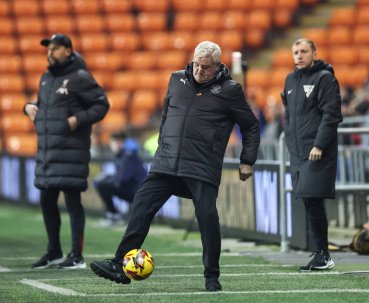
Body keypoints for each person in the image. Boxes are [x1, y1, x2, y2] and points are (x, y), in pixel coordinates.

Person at [90, 41, 260, 291]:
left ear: (217, 66)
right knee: (141, 206)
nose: (199, 71)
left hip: (202, 165)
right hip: (166, 162)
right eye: (196, 65)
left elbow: (251, 126)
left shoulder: (230, 90)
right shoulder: (175, 79)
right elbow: (167, 116)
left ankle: (212, 277)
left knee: (207, 218)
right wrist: (163, 145)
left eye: (205, 67)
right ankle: (119, 264)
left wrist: (247, 160)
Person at [24, 34, 109, 269]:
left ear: (68, 51)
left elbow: (102, 104)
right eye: (48, 48)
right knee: (47, 202)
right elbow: (47, 106)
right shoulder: (46, 79)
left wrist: (78, 119)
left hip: (71, 152)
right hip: (48, 154)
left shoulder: (80, 77)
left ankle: (76, 256)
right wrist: (28, 107)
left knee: (73, 203)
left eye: (55, 48)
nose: (50, 52)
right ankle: (54, 252)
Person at [281, 38, 342, 271]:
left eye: (304, 51)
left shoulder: (324, 79)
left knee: (313, 200)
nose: (299, 55)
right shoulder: (289, 79)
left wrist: (319, 145)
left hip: (317, 151)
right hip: (298, 152)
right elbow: (288, 115)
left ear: (314, 53)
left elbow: (331, 115)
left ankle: (323, 254)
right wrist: (289, 140)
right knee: (308, 200)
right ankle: (320, 252)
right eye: (295, 51)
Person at [93, 131, 147, 226]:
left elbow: (123, 178)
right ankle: (113, 215)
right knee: (101, 184)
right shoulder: (123, 155)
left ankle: (114, 216)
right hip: (134, 190)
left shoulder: (128, 155)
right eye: (113, 143)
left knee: (102, 185)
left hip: (138, 193)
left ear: (123, 143)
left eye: (117, 142)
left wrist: (106, 178)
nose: (114, 145)